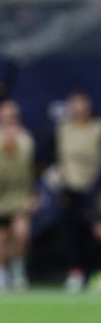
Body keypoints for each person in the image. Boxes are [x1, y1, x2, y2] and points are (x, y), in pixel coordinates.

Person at [0, 100, 36, 292]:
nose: (8, 122)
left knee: (21, 232)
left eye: (11, 118)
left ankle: (17, 270)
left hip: (20, 198)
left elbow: (36, 169)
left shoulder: (27, 141)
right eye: (4, 118)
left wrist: (33, 195)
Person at [55, 90, 101, 293]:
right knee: (70, 233)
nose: (77, 109)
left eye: (81, 104)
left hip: (93, 189)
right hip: (69, 188)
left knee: (95, 232)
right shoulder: (64, 129)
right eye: (74, 105)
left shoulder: (97, 128)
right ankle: (75, 272)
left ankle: (98, 273)